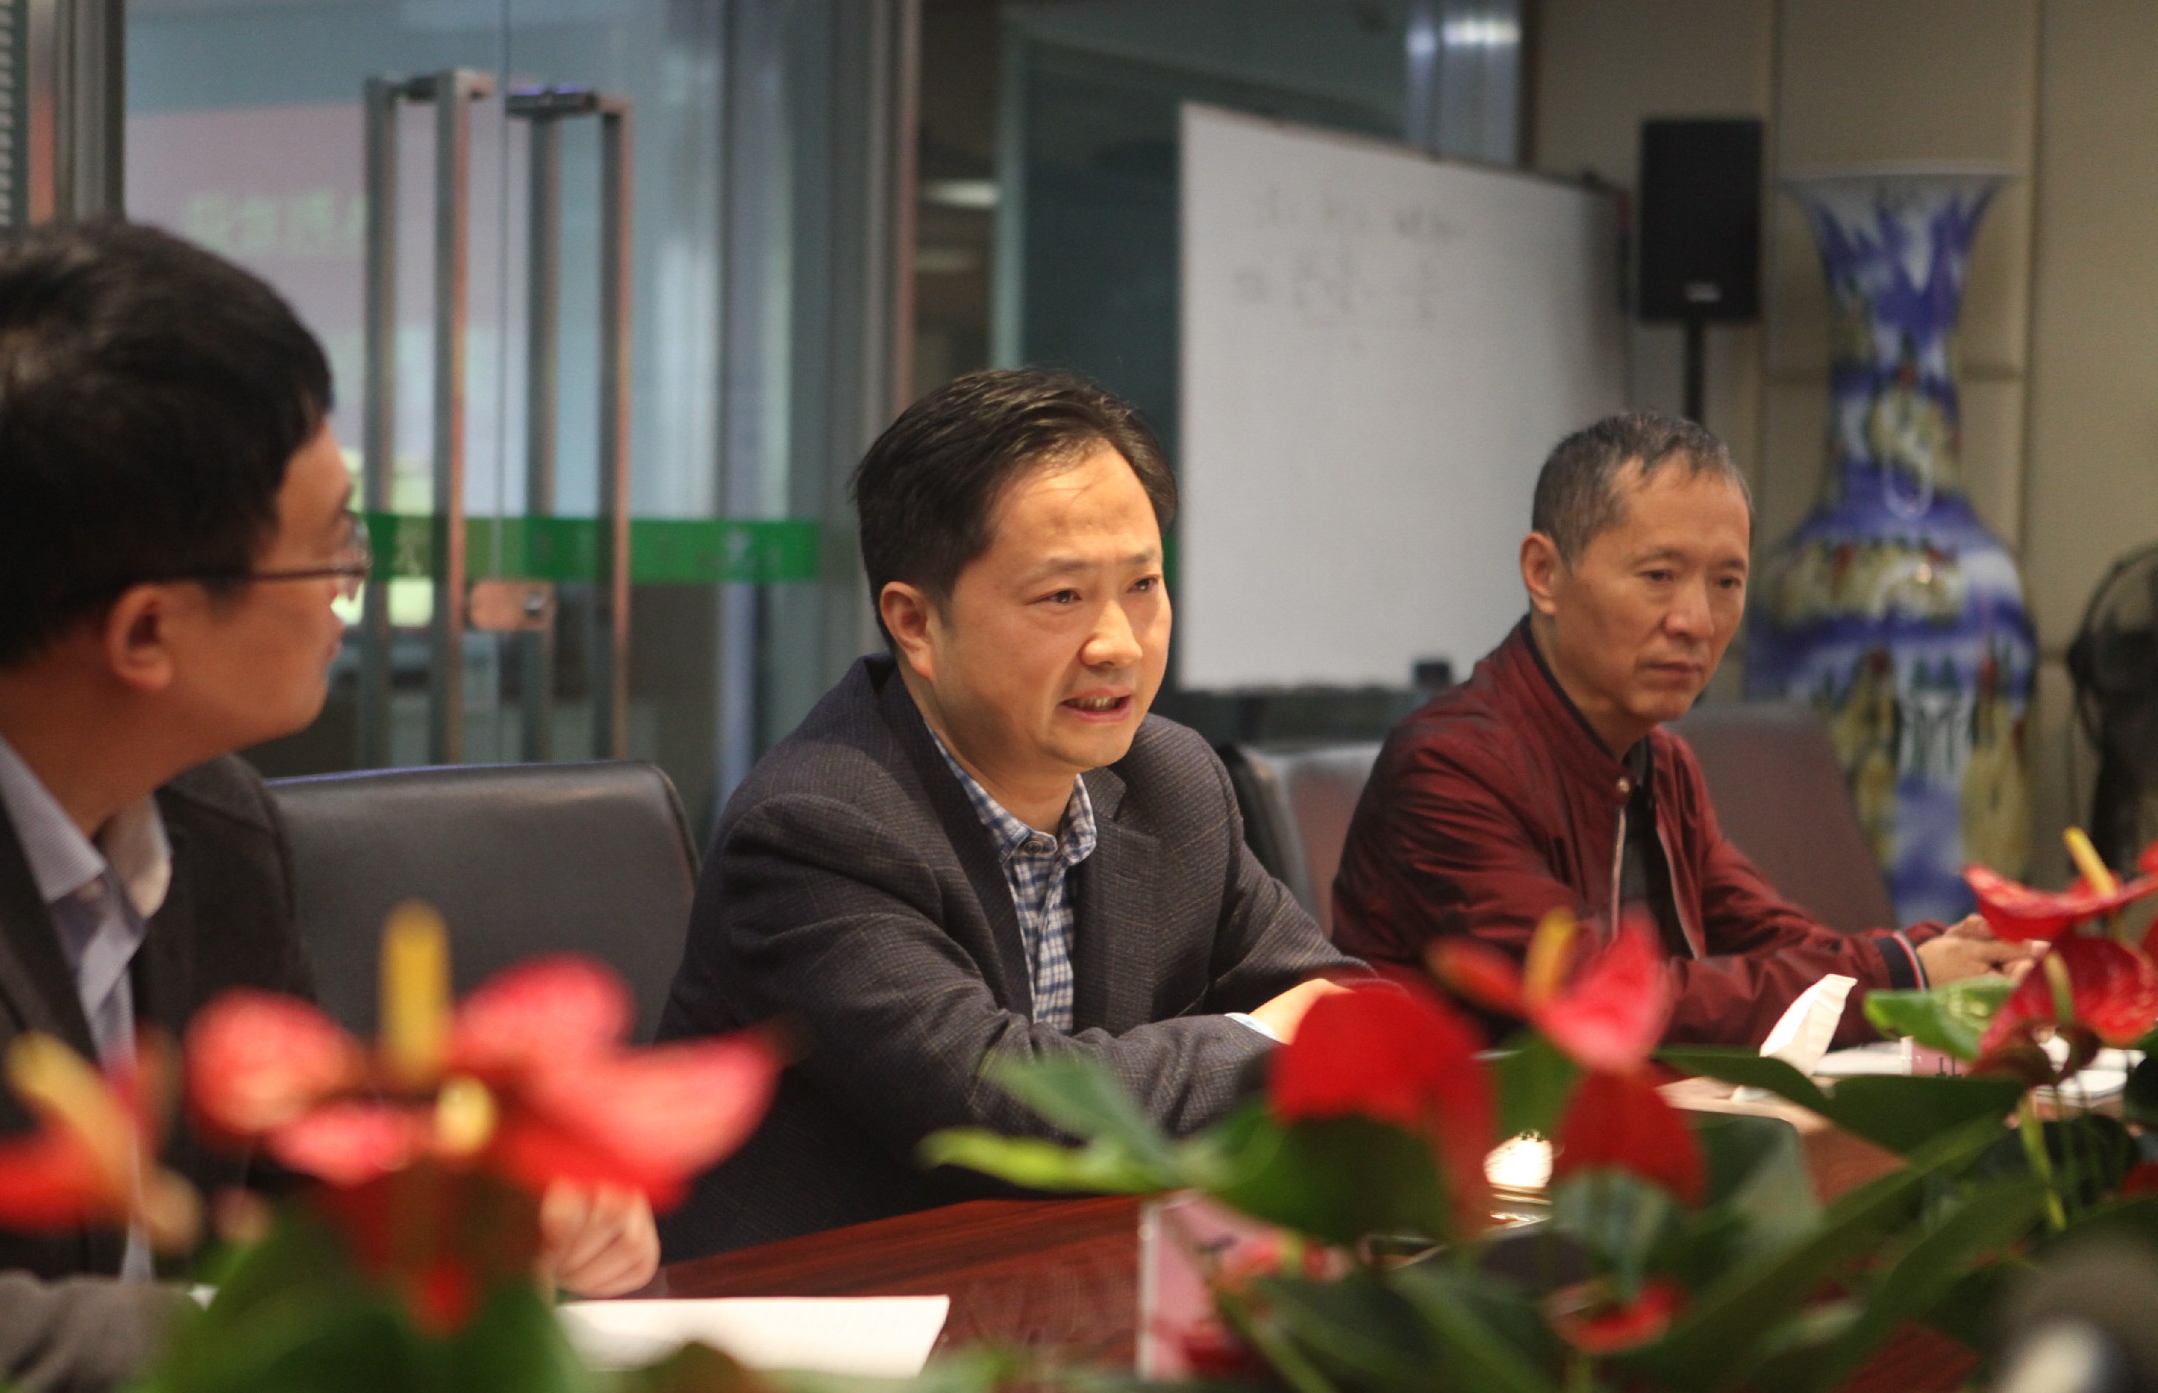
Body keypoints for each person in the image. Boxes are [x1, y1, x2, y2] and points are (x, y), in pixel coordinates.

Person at [0, 223, 653, 1393]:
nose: (350, 587)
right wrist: (225, 1344)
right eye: (331, 547)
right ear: (146, 633)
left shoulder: (210, 818)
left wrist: (487, 1222)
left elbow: (291, 1190)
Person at [659, 368, 1362, 1259]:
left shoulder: (1171, 778)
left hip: (1081, 1280)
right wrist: (1265, 1041)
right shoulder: (817, 827)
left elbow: (1352, 1014)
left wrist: (1288, 1040)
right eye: (1062, 597)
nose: (1118, 644)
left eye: (1143, 585)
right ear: (915, 623)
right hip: (830, 1306)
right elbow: (1005, 1111)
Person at [1331, 411, 2033, 1048]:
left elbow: (1776, 940)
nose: (1696, 622)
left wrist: (1952, 953)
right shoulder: (1450, 767)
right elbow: (1601, 998)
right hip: (1467, 1140)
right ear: (1544, 573)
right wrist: (1903, 972)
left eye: (1726, 583)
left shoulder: (1660, 763)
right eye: (1659, 575)